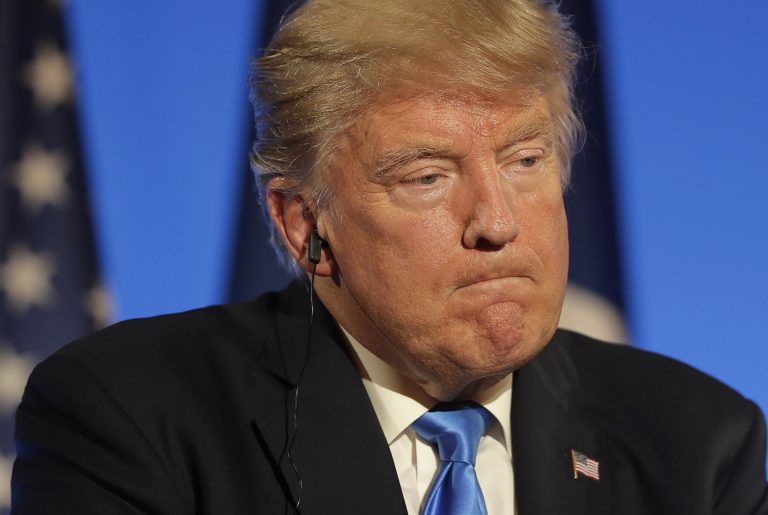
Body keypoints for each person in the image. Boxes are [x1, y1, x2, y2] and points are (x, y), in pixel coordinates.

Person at [11, 0, 768, 513]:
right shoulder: (133, 419)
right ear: (304, 222)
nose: (497, 222)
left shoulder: (697, 447)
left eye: (526, 160)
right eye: (428, 176)